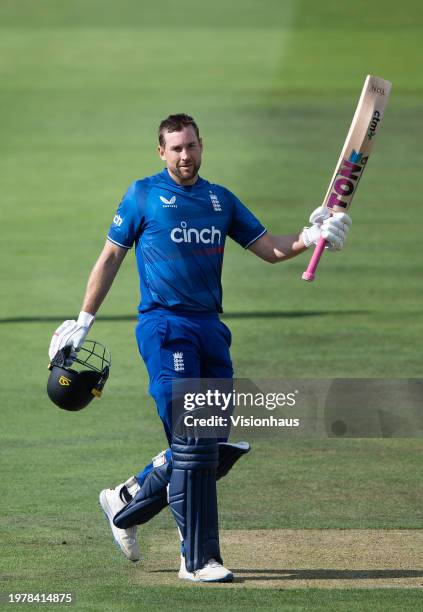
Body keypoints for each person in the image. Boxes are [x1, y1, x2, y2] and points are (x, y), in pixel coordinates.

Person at [48, 113, 351, 583]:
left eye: (191, 146)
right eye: (176, 148)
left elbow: (269, 247)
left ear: (201, 145)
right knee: (194, 444)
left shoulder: (219, 200)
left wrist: (310, 237)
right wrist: (83, 321)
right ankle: (198, 560)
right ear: (161, 152)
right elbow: (111, 256)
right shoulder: (143, 194)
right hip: (165, 326)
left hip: (211, 329)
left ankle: (124, 504)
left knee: (209, 448)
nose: (185, 156)